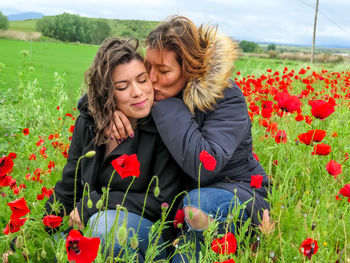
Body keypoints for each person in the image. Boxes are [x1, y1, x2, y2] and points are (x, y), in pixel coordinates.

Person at [108, 16, 270, 262]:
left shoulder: (226, 98)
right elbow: (103, 95)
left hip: (234, 192)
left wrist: (167, 107)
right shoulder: (157, 91)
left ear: (191, 69)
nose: (151, 79)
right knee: (113, 232)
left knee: (197, 204)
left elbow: (204, 165)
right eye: (148, 67)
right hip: (171, 205)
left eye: (163, 71)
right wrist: (107, 110)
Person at [43, 37, 183, 262]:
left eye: (142, 79)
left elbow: (162, 202)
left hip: (149, 234)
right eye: (123, 86)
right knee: (51, 248)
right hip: (93, 227)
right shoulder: (89, 124)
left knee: (103, 227)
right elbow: (68, 188)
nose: (138, 92)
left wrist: (97, 204)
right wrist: (34, 234)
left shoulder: (164, 129)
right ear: (107, 93)